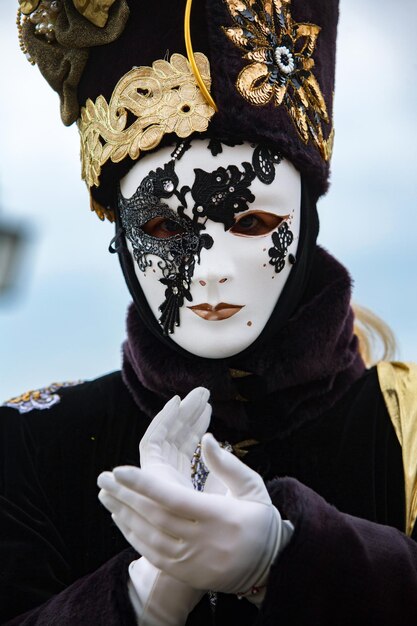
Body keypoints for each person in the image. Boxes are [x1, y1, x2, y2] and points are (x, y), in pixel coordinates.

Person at [2, 0, 417, 624]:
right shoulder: (30, 449)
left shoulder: (405, 436)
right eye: (166, 227)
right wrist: (141, 595)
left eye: (251, 222)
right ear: (121, 236)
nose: (209, 268)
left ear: (305, 224)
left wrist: (292, 558)